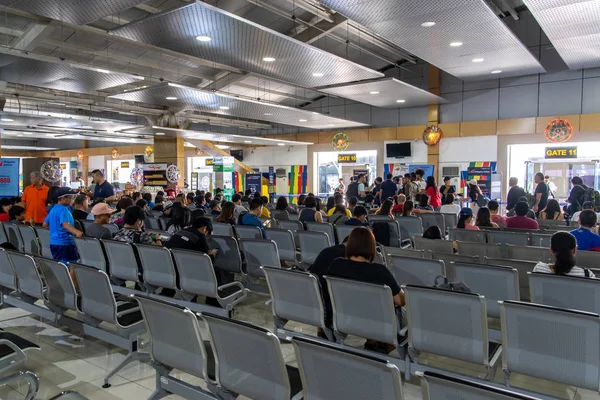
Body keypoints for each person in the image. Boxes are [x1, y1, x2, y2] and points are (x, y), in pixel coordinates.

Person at [327, 227, 403, 351]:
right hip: (377, 325)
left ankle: (372, 343)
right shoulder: (380, 271)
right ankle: (378, 347)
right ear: (371, 247)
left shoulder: (336, 265)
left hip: (345, 320)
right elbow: (400, 301)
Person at [42, 188, 83, 263]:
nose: (73, 200)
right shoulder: (64, 210)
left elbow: (45, 224)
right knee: (72, 265)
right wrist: (77, 232)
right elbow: (65, 225)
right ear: (63, 198)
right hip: (65, 243)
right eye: (72, 198)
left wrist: (56, 230)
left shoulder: (53, 209)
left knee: (60, 266)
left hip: (53, 242)